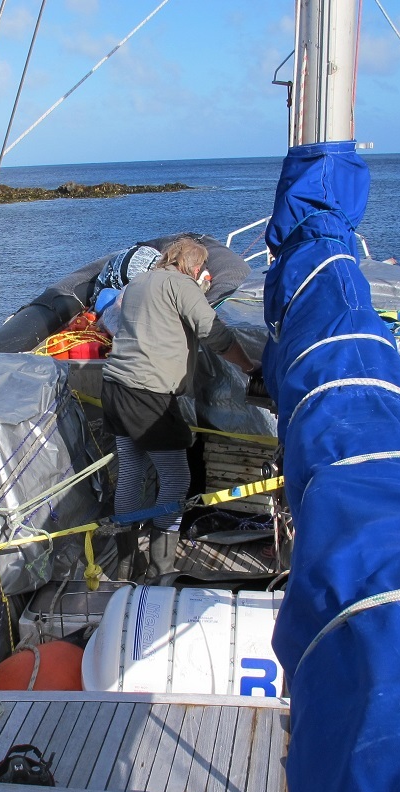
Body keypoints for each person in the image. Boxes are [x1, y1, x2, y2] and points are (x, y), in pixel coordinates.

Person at [100, 237, 256, 578]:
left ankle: (128, 562)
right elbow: (214, 333)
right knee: (176, 478)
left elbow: (139, 321)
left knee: (131, 469)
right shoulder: (181, 285)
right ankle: (162, 565)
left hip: (115, 388)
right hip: (148, 395)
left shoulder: (138, 282)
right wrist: (248, 367)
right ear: (195, 267)